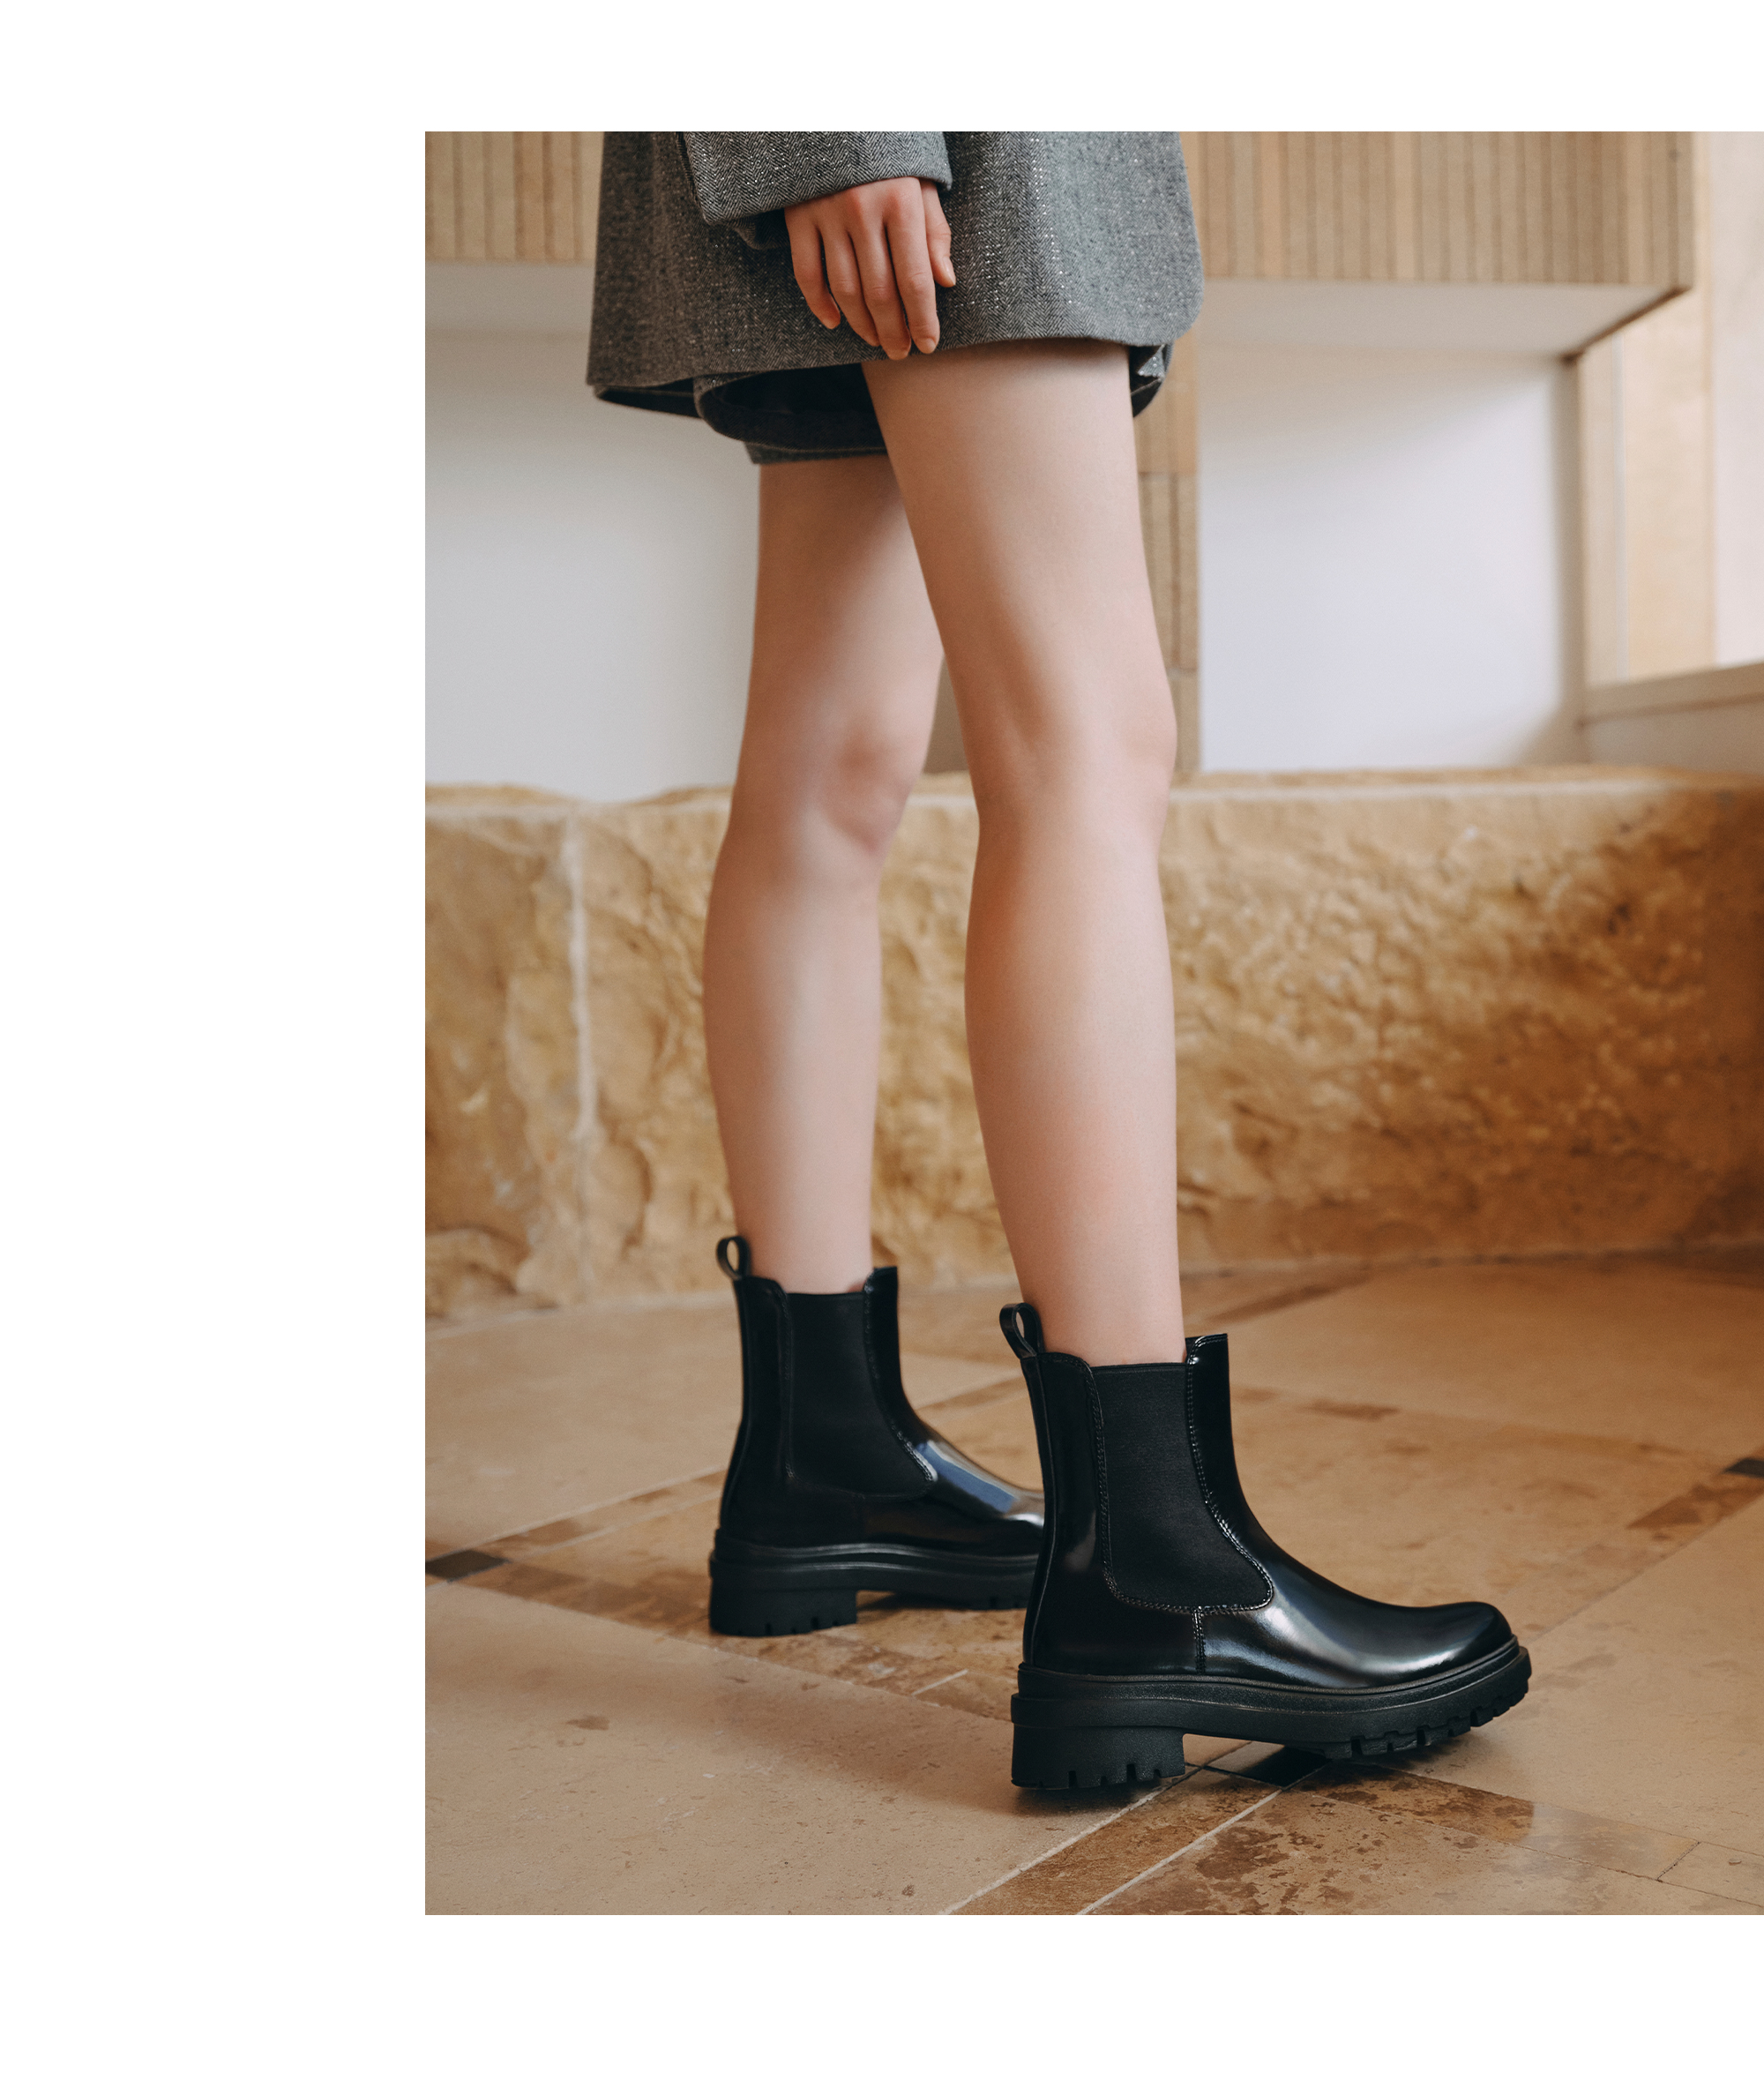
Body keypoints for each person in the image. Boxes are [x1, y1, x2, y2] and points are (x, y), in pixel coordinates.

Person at [588, 133, 1529, 1789]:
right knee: (1086, 746)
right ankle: (1155, 1568)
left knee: (834, 767)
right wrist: (846, 126)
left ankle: (822, 1457)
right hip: (957, 138)